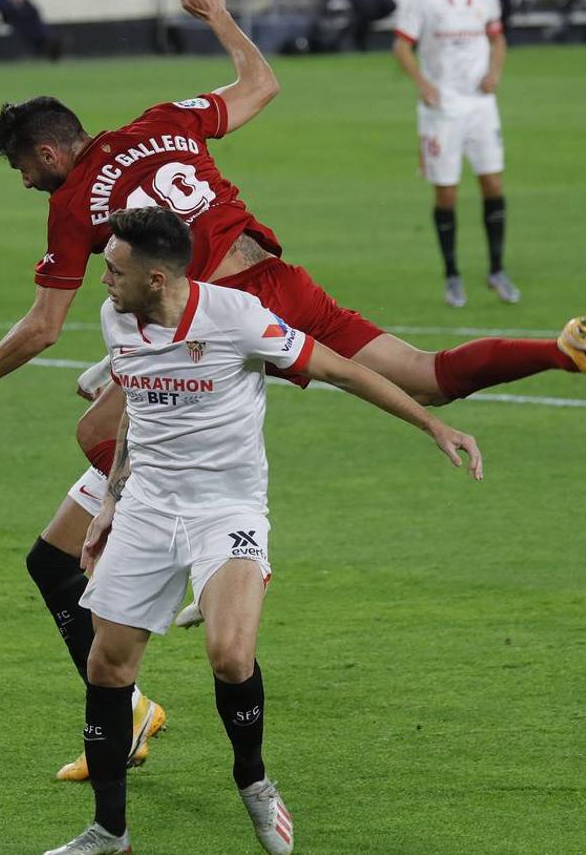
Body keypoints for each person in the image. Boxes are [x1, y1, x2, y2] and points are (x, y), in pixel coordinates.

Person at [0, 0, 586, 783]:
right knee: (426, 373)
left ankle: (183, 563)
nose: (24, 182)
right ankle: (562, 349)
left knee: (96, 432)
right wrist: (218, 15)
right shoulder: (163, 120)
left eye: (22, 167)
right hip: (280, 280)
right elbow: (261, 84)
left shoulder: (74, 198)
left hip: (215, 316)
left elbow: (46, 325)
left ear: (50, 151)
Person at [42, 207, 483, 855]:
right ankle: (109, 832)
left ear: (158, 279)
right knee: (108, 667)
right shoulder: (117, 319)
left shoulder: (238, 319)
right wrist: (110, 501)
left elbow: (341, 369)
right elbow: (138, 408)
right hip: (146, 504)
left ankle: (251, 779)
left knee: (228, 652)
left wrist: (433, 425)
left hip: (226, 507)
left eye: (113, 269)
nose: (102, 280)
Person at [393, 0, 516, 307]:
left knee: (492, 183)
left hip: (481, 107)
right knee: (446, 194)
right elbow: (402, 46)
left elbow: (498, 40)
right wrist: (423, 84)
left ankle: (497, 270)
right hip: (441, 110)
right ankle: (452, 275)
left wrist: (495, 72)